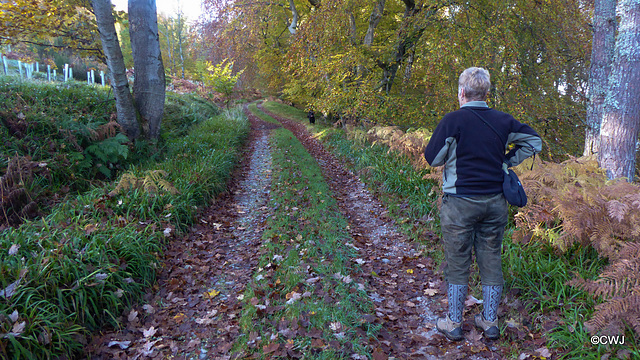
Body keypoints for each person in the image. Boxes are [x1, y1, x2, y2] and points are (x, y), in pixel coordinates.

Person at [423, 67, 542, 341]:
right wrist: (506, 160)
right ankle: (489, 322)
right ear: (486, 93)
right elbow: (534, 141)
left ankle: (453, 323)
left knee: (457, 261)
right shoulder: (503, 121)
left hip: (459, 204)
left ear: (462, 92)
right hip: (494, 203)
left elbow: (434, 158)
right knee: (491, 259)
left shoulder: (454, 121)